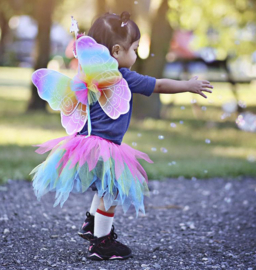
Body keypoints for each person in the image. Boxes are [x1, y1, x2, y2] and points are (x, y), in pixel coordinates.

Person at [30, 11, 213, 261]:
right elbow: (158, 85)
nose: (136, 55)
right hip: (105, 146)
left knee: (105, 187)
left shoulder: (86, 76)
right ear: (116, 51)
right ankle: (102, 244)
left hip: (84, 143)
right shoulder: (122, 77)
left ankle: (92, 224)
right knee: (112, 190)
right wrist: (187, 86)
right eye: (135, 49)